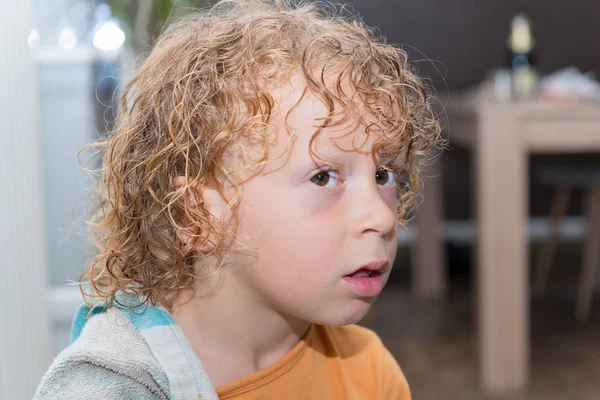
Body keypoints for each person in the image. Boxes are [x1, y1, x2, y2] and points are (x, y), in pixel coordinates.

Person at [34, 0, 442, 398]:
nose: (381, 218)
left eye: (384, 175)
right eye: (323, 176)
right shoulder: (110, 384)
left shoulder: (369, 372)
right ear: (196, 215)